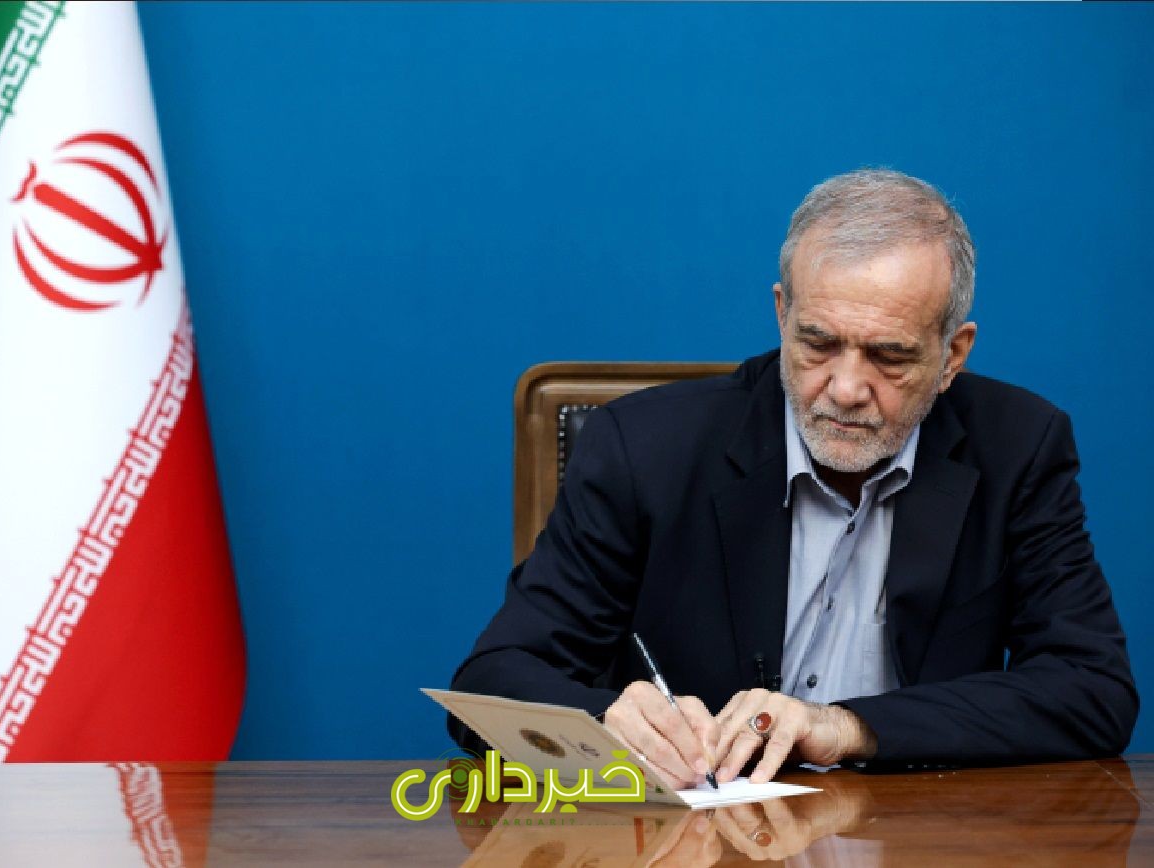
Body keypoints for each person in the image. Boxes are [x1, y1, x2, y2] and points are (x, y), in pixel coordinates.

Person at [448, 169, 1139, 788]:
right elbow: (489, 685)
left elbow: (1093, 691)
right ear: (782, 314)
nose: (845, 388)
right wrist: (607, 720)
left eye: (890, 356)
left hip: (918, 838)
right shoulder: (643, 449)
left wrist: (847, 727)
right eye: (818, 343)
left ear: (952, 354)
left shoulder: (1017, 447)